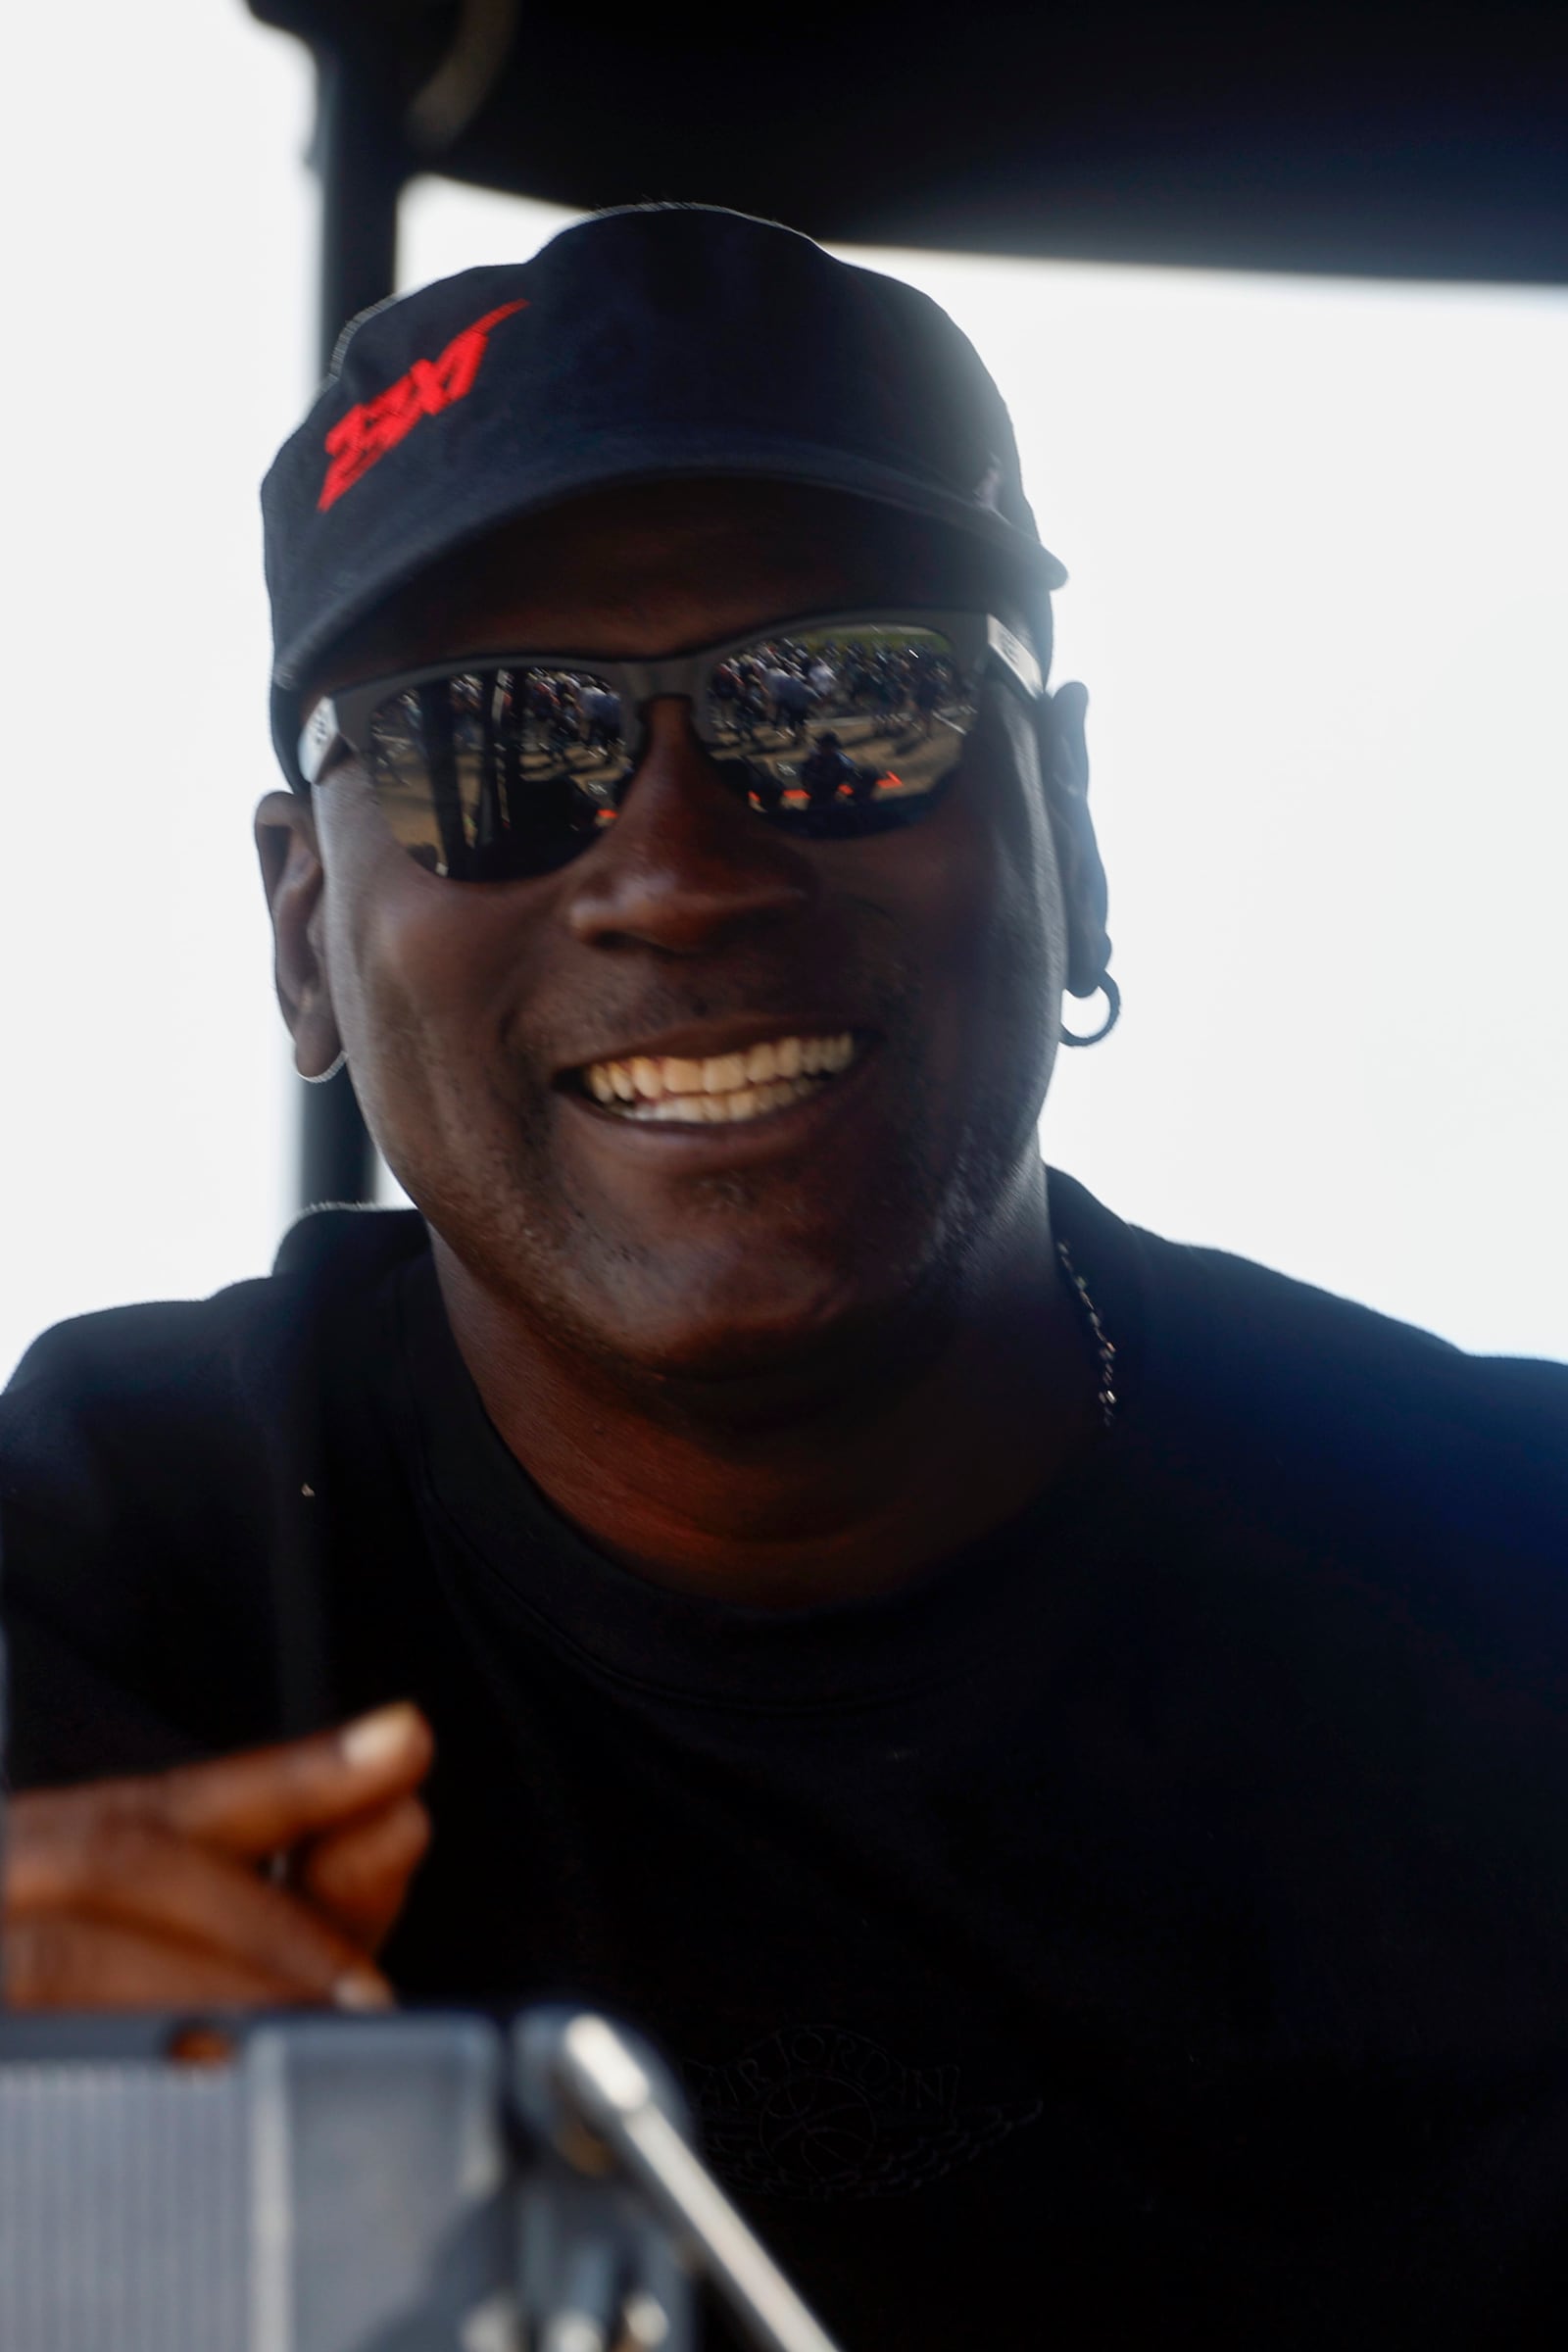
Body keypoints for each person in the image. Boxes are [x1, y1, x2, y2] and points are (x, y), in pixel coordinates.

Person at [2, 204, 1566, 2351]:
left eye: (839, 705)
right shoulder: (116, 1583)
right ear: (303, 937)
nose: (674, 870)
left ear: (1066, 832)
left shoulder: (1506, 1575)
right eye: (493, 754)